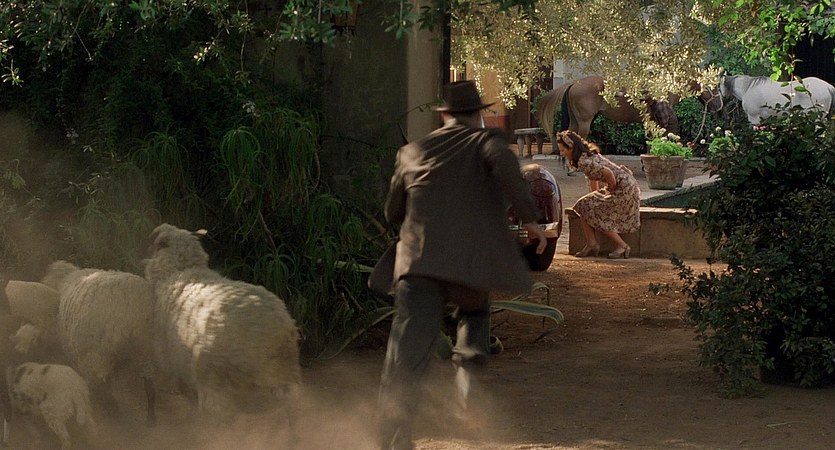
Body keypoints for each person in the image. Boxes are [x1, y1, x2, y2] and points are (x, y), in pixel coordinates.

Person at [376, 80, 547, 450]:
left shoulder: (411, 152)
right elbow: (505, 168)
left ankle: (393, 440)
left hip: (418, 265)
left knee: (405, 358)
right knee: (474, 313)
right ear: (478, 114)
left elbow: (392, 212)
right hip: (467, 266)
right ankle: (467, 383)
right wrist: (531, 221)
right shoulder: (487, 141)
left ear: (444, 115)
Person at [555, 130, 640, 259]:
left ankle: (622, 245)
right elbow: (593, 178)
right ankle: (591, 243)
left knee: (597, 212)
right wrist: (594, 195)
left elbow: (608, 173)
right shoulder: (586, 155)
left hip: (623, 190)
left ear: (571, 148)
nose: (561, 154)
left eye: (563, 150)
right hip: (627, 186)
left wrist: (611, 190)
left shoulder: (584, 161)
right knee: (584, 205)